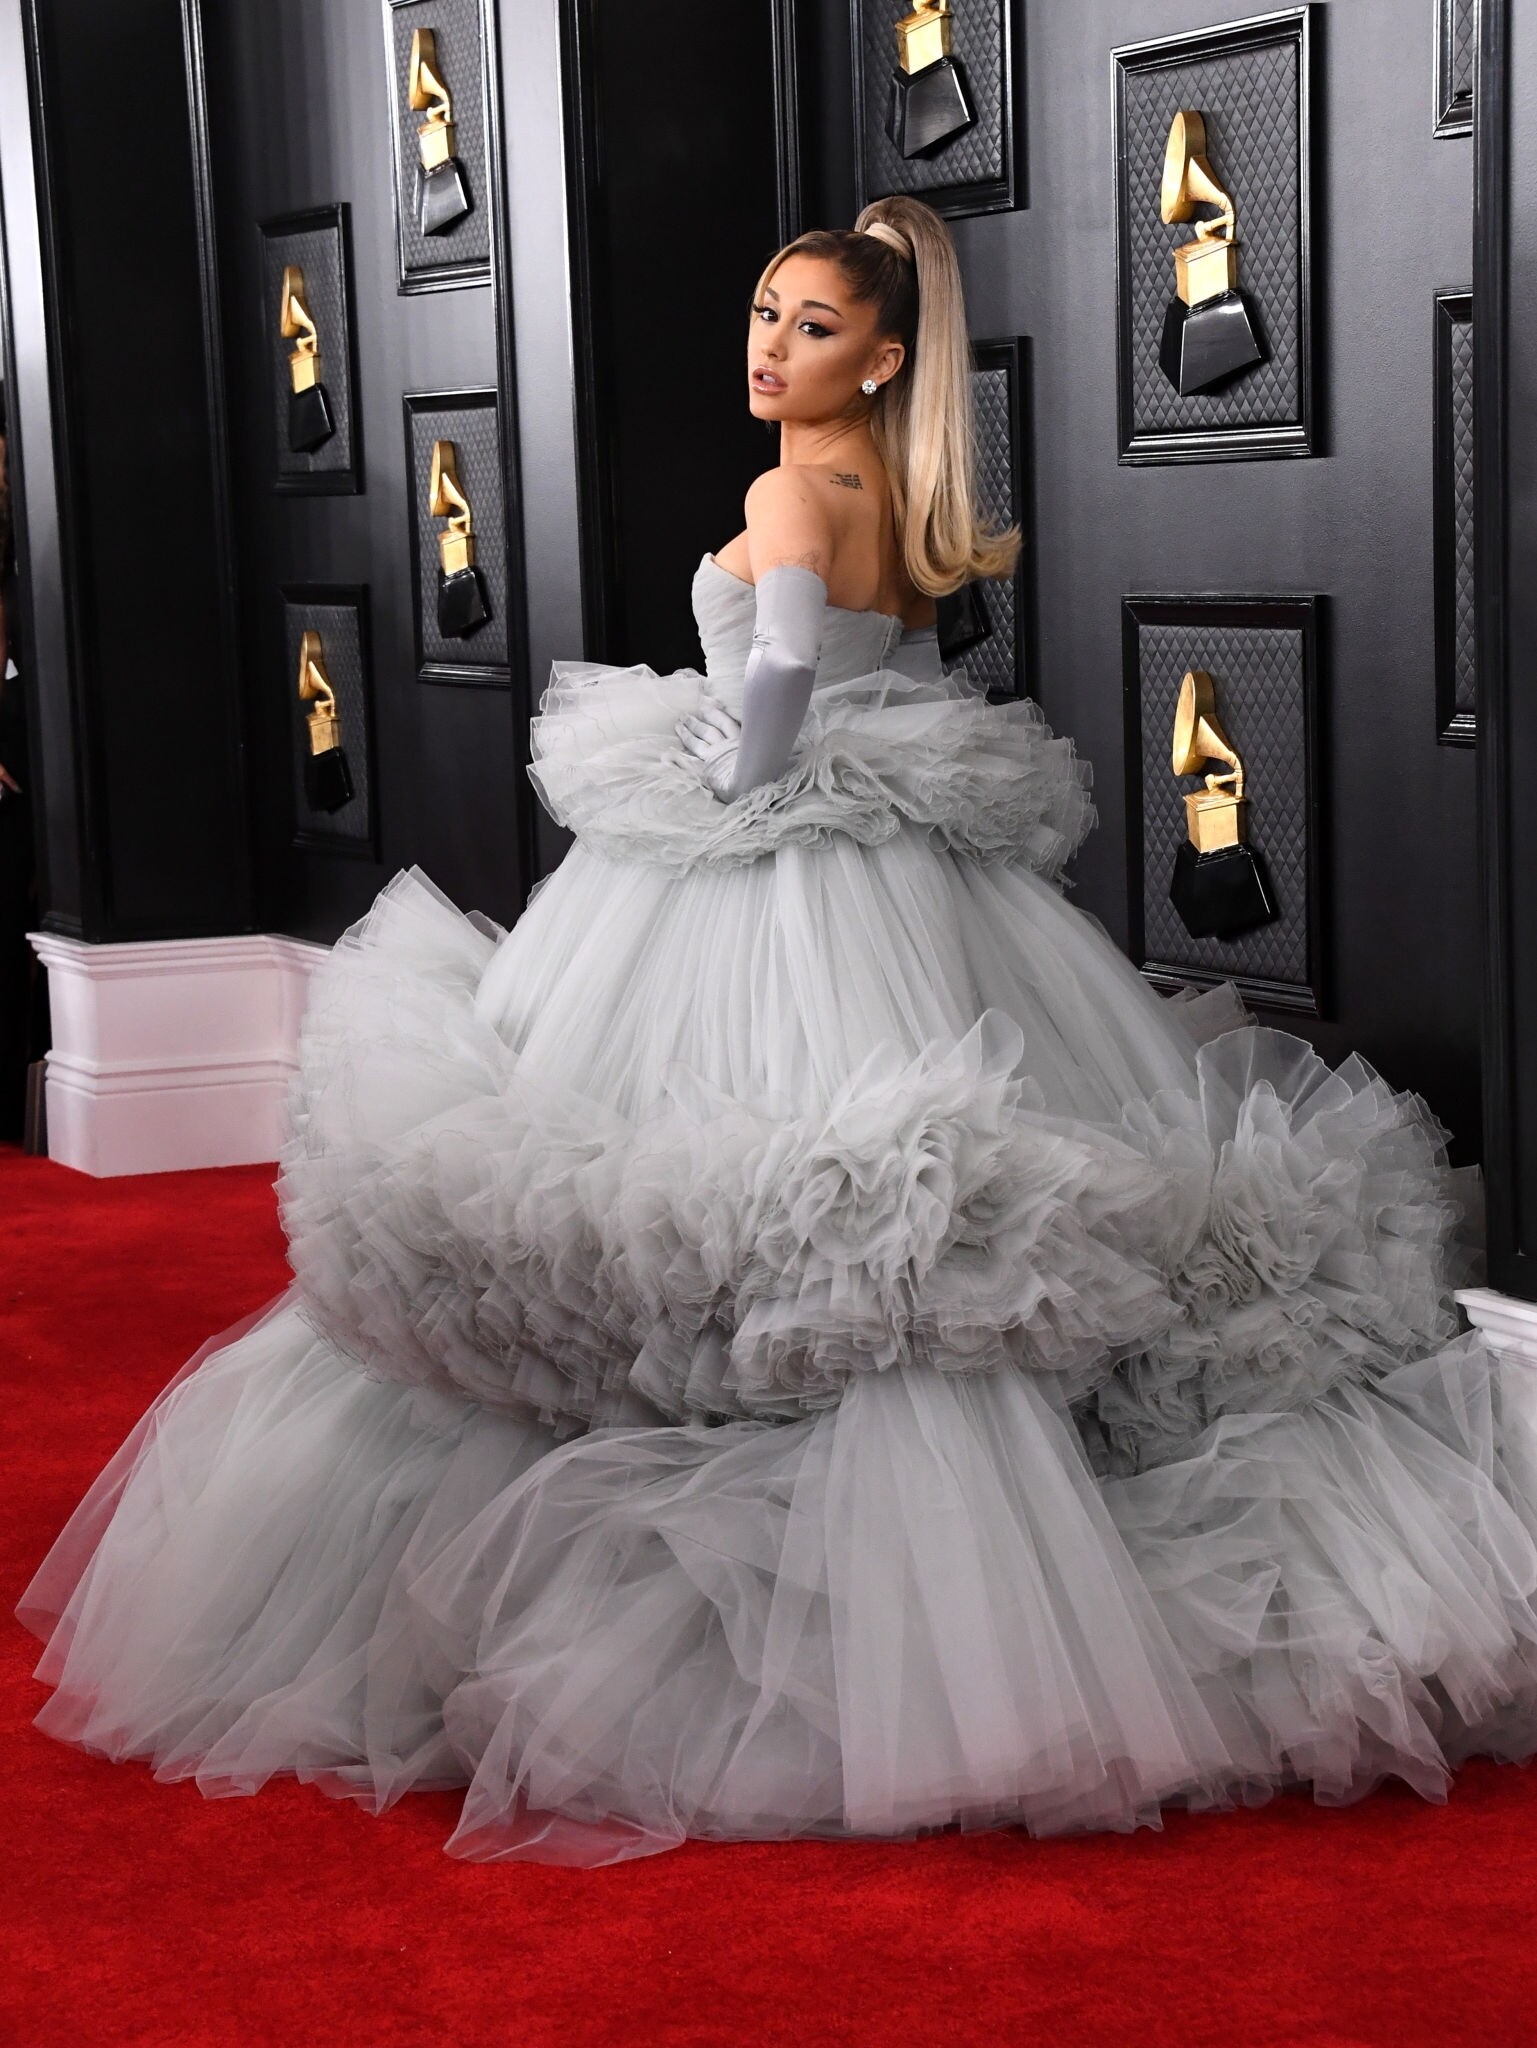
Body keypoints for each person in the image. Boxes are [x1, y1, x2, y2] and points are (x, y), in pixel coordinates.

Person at [18, 198, 1537, 1866]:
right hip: (911, 885)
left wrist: (726, 781)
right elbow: (884, 673)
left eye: (811, 327)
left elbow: (787, 675)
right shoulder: (897, 494)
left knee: (735, 1191)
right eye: (764, 311)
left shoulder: (787, 491)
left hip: (779, 858)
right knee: (945, 1189)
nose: (769, 347)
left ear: (880, 360)